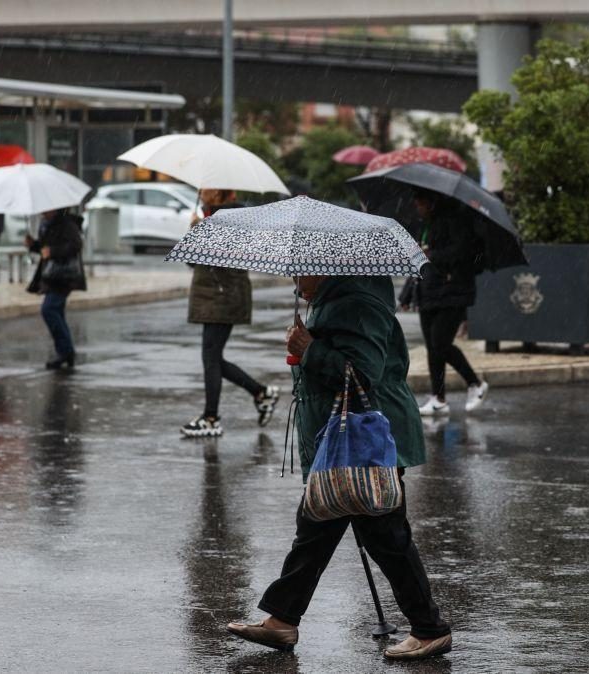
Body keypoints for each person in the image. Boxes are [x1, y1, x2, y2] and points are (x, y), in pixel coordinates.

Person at [226, 274, 453, 661]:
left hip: (364, 441)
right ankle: (282, 620)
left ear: (328, 269)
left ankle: (429, 629)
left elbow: (363, 373)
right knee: (315, 529)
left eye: (302, 271)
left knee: (385, 535)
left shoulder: (359, 305)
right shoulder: (334, 301)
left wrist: (310, 348)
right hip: (339, 442)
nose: (295, 277)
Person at [182, 188, 278, 438]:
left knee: (211, 357)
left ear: (219, 194)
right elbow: (193, 261)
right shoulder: (213, 217)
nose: (201, 193)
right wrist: (197, 227)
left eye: (207, 190)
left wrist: (199, 229)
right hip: (217, 296)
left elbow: (217, 257)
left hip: (223, 296)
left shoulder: (231, 219)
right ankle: (260, 393)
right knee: (212, 358)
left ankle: (211, 417)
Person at [399, 190, 487, 416]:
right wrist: (407, 295)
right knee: (432, 348)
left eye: (420, 203)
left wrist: (432, 253)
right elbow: (420, 262)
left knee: (441, 344)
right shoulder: (425, 225)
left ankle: (475, 383)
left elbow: (461, 253)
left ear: (431, 202)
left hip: (453, 291)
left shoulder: (455, 222)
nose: (417, 207)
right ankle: (438, 398)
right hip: (429, 292)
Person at [25, 209, 86, 370]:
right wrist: (34, 245)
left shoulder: (66, 224)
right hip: (53, 275)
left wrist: (53, 252)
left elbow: (76, 245)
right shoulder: (47, 225)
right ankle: (66, 352)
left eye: (46, 210)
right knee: (56, 311)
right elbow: (45, 249)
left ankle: (66, 351)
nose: (43, 212)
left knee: (49, 309)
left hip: (64, 275)